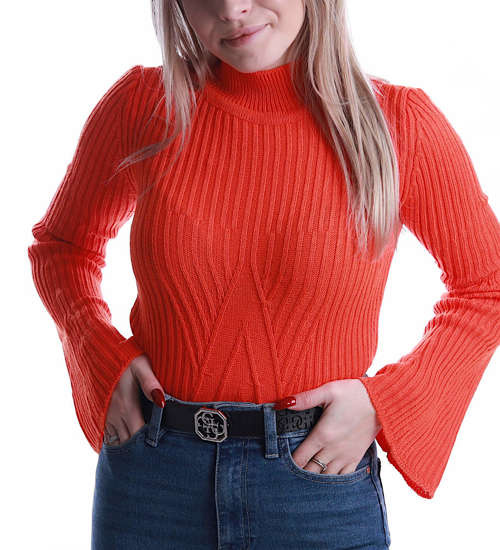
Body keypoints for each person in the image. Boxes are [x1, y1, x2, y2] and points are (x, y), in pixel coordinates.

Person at [27, 1, 500, 549]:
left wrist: (387, 403)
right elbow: (62, 248)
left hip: (317, 483)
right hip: (152, 484)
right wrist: (97, 356)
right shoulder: (143, 106)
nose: (232, 9)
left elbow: (487, 284)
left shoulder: (398, 123)